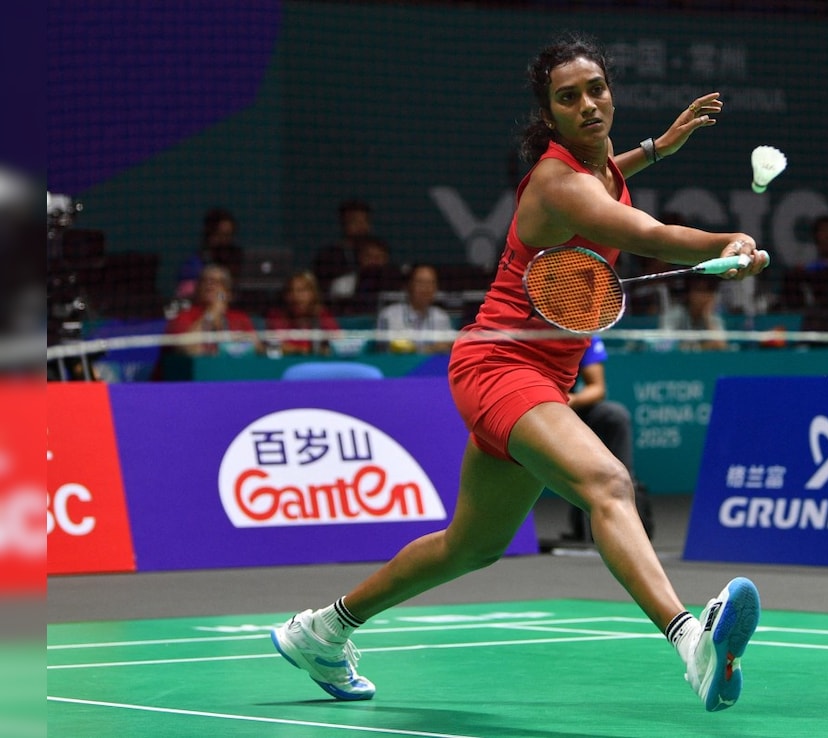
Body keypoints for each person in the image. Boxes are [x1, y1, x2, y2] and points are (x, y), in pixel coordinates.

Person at [270, 33, 765, 713]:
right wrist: (726, 241)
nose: (588, 105)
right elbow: (643, 232)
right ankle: (690, 642)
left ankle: (322, 631)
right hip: (500, 363)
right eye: (569, 97)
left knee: (469, 547)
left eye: (597, 89)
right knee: (608, 483)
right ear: (549, 113)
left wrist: (658, 148)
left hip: (543, 375)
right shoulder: (557, 184)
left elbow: (609, 176)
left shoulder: (595, 172)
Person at [564, 336, 653, 542]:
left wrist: (571, 400)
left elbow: (597, 388)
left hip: (567, 404)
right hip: (527, 404)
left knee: (615, 415)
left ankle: (625, 490)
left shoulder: (583, 332)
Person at [164, 264, 261, 357]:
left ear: (228, 293)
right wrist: (211, 314)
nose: (210, 285)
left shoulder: (240, 318)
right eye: (205, 281)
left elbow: (258, 350)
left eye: (217, 282)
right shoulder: (183, 317)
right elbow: (188, 350)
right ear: (198, 289)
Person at [376, 263, 455, 354]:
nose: (426, 288)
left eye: (431, 283)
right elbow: (388, 351)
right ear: (409, 285)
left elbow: (446, 349)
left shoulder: (442, 317)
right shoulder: (389, 315)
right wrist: (428, 349)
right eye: (420, 282)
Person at [265, 271, 342, 356]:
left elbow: (337, 344)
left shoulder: (323, 315)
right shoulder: (276, 316)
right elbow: (274, 347)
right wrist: (308, 350)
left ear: (313, 293)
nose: (295, 296)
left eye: (302, 290)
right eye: (290, 291)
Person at [175, 208, 244, 302]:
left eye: (229, 235)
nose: (225, 241)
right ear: (210, 235)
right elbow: (186, 295)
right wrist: (221, 298)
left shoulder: (239, 260)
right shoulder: (194, 265)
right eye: (221, 235)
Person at [312, 199, 374, 299]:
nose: (361, 226)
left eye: (365, 221)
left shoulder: (376, 255)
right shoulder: (328, 257)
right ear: (344, 224)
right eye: (355, 221)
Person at [656, 274, 729, 351]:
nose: (704, 297)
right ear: (688, 294)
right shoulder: (674, 315)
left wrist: (707, 317)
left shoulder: (712, 317)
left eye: (709, 292)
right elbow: (665, 346)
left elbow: (722, 346)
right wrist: (703, 347)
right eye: (699, 291)